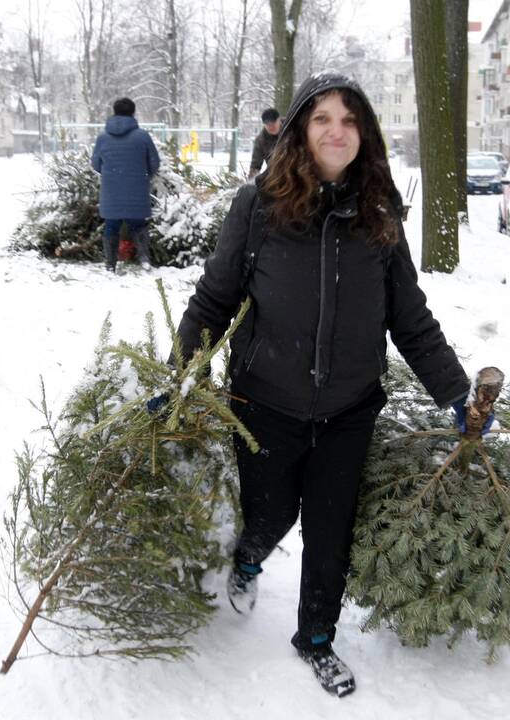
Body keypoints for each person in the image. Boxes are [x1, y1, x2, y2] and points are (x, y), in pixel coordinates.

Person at [175, 74, 470, 698]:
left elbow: (409, 317)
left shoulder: (379, 213)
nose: (338, 130)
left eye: (350, 120)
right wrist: (179, 374)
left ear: (364, 133)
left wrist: (456, 390)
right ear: (301, 130)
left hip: (349, 407)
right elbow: (215, 299)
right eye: (323, 119)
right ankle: (249, 557)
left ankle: (315, 639)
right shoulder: (257, 205)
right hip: (265, 399)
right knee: (271, 511)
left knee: (330, 530)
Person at [91, 97, 161, 271]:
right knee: (138, 224)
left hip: (111, 191)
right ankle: (144, 259)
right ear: (133, 113)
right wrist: (142, 176)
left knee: (111, 225)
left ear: (114, 112)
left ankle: (110, 264)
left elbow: (95, 164)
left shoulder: (103, 138)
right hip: (136, 189)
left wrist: (110, 175)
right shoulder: (143, 137)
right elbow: (154, 163)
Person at [247, 107, 281, 178]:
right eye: (268, 125)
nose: (271, 127)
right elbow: (255, 166)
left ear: (279, 120)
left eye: (273, 124)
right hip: (276, 174)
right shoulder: (260, 141)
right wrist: (250, 184)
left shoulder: (291, 128)